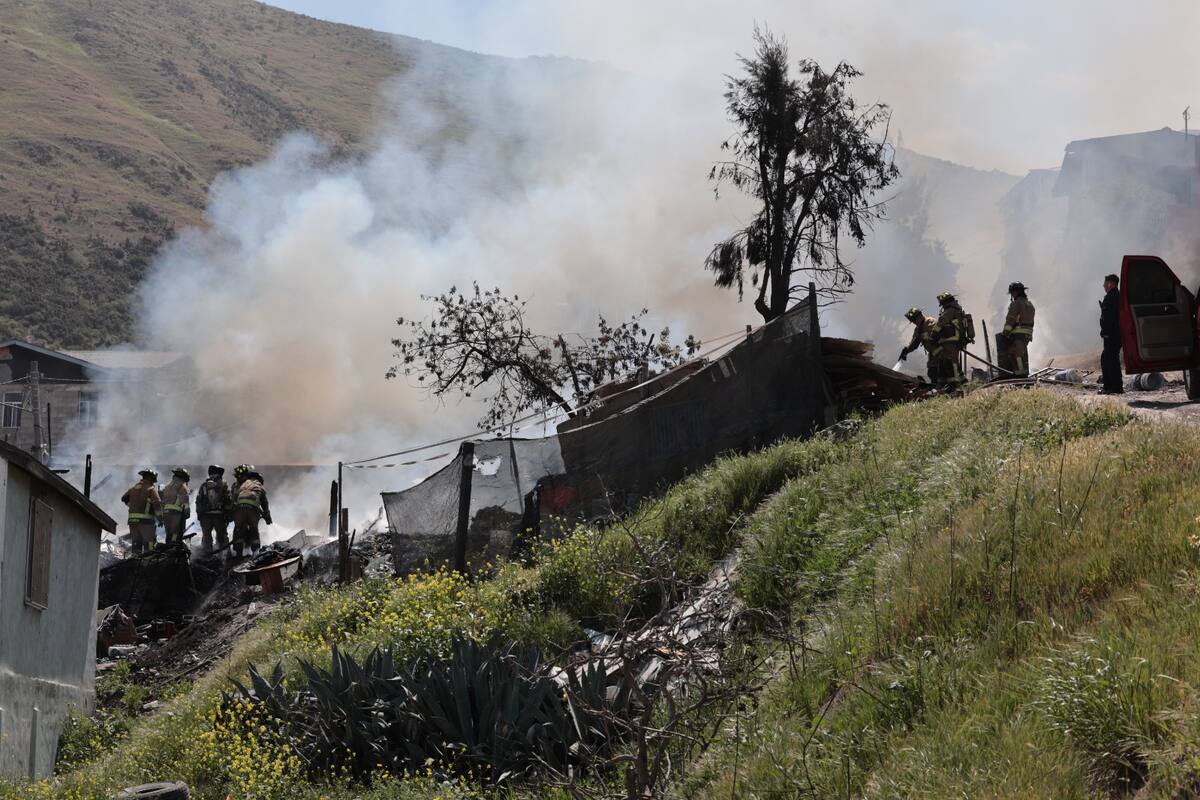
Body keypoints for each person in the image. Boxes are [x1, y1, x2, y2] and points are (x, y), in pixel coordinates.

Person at [231, 469, 272, 558]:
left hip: (239, 509)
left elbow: (234, 498)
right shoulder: (258, 485)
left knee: (238, 530)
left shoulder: (243, 485)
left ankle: (238, 554)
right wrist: (267, 517)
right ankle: (255, 554)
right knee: (254, 530)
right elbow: (264, 502)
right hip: (253, 510)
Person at [121, 468, 162, 555]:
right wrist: (160, 519)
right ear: (151, 479)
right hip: (146, 522)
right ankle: (149, 563)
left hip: (132, 522)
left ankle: (135, 561)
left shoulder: (133, 488)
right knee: (149, 544)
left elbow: (123, 498)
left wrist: (131, 505)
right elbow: (157, 504)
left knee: (136, 543)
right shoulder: (151, 489)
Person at [899, 307, 944, 384]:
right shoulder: (918, 329)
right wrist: (906, 351)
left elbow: (939, 336)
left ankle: (946, 388)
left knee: (942, 371)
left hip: (943, 351)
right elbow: (914, 343)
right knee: (932, 372)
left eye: (914, 320)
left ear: (919, 316)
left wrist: (924, 336)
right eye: (912, 321)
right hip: (934, 353)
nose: (914, 322)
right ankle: (937, 388)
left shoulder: (930, 322)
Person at [1001, 282, 1036, 378]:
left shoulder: (1016, 304)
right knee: (1021, 353)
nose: (1012, 295)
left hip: (1018, 332)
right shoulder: (1029, 304)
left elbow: (1010, 320)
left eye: (1012, 293)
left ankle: (1020, 375)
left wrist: (1005, 333)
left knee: (1015, 353)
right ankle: (1021, 373)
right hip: (1028, 333)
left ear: (1015, 292)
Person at [196, 464, 232, 554]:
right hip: (219, 515)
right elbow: (229, 500)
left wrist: (199, 514)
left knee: (206, 536)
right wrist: (228, 514)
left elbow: (198, 500)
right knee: (222, 536)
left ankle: (206, 555)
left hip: (206, 516)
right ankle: (224, 555)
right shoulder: (224, 484)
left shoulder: (204, 485)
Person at [1099, 273, 1124, 395]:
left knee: (1108, 359)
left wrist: (1105, 332)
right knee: (1111, 359)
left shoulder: (1110, 297)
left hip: (1111, 335)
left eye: (1105, 283)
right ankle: (1115, 386)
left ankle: (1111, 388)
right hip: (1117, 334)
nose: (1103, 286)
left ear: (1110, 283)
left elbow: (1107, 318)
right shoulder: (1118, 296)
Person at [936, 292, 966, 387]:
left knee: (951, 363)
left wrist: (933, 333)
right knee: (953, 362)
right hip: (956, 340)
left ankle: (956, 386)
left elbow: (941, 323)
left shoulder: (950, 311)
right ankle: (963, 383)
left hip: (950, 341)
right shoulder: (958, 309)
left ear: (945, 302)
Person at [160, 468, 191, 546]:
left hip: (166, 513)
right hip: (176, 513)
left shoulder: (167, 487)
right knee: (175, 532)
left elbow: (162, 502)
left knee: (169, 532)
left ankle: (168, 546)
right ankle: (173, 546)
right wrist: (187, 512)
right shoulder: (182, 486)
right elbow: (185, 500)